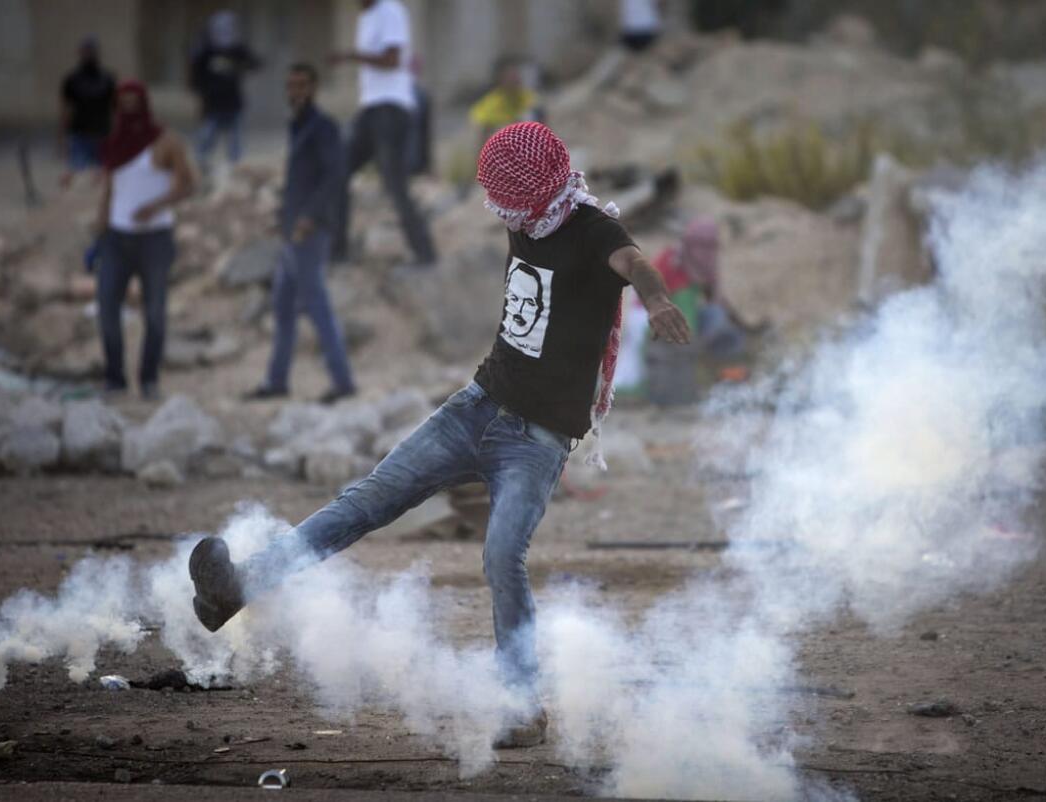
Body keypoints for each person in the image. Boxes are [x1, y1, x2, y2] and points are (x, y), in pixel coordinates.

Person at [188, 122, 690, 748]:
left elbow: (633, 262)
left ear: (536, 191)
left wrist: (660, 300)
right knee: (364, 503)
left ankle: (522, 705)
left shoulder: (593, 229)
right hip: (476, 407)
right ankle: (235, 589)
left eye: (507, 197)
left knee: (503, 555)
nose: (499, 210)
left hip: (537, 440)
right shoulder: (526, 217)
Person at [245, 64, 356, 405]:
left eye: (302, 85)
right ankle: (277, 381)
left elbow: (334, 176)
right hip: (291, 232)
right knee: (282, 305)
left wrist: (309, 216)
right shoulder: (298, 126)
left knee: (316, 305)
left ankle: (343, 382)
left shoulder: (323, 128)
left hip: (310, 232)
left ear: (314, 88)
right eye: (291, 85)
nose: (295, 90)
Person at [95, 81, 195, 399]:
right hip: (116, 237)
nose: (128, 109)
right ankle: (115, 379)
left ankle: (149, 380)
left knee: (154, 313)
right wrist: (100, 231)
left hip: (154, 239)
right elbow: (111, 189)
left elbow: (188, 185)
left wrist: (155, 207)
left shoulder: (166, 142)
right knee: (107, 310)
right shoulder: (114, 143)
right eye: (122, 103)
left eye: (133, 103)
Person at [330, 0, 436, 268]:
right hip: (371, 109)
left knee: (394, 185)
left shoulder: (390, 10)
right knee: (338, 169)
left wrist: (351, 56)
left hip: (391, 108)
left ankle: (425, 255)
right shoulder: (365, 17)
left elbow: (392, 59)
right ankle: (336, 251)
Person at [614, 218, 758, 395]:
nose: (706, 251)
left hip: (664, 312)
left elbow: (717, 300)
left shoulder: (698, 265)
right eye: (703, 245)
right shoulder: (676, 266)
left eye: (710, 246)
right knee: (633, 374)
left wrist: (746, 327)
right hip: (646, 313)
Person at [190, 10, 261, 177]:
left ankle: (234, 169)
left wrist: (239, 66)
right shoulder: (206, 50)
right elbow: (196, 75)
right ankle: (201, 165)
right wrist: (200, 95)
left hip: (233, 101)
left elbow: (254, 63)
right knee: (207, 136)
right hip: (213, 102)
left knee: (235, 140)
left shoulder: (237, 49)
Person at [59, 36, 116, 187]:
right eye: (85, 51)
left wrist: (116, 134)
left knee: (102, 177)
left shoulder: (107, 79)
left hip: (102, 133)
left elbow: (115, 109)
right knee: (76, 174)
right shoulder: (72, 79)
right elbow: (65, 108)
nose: (88, 54)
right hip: (79, 134)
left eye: (91, 51)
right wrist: (62, 137)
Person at [468, 57, 544, 140]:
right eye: (509, 76)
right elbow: (478, 121)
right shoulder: (489, 104)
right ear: (500, 80)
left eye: (515, 75)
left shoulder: (530, 98)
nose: (514, 80)